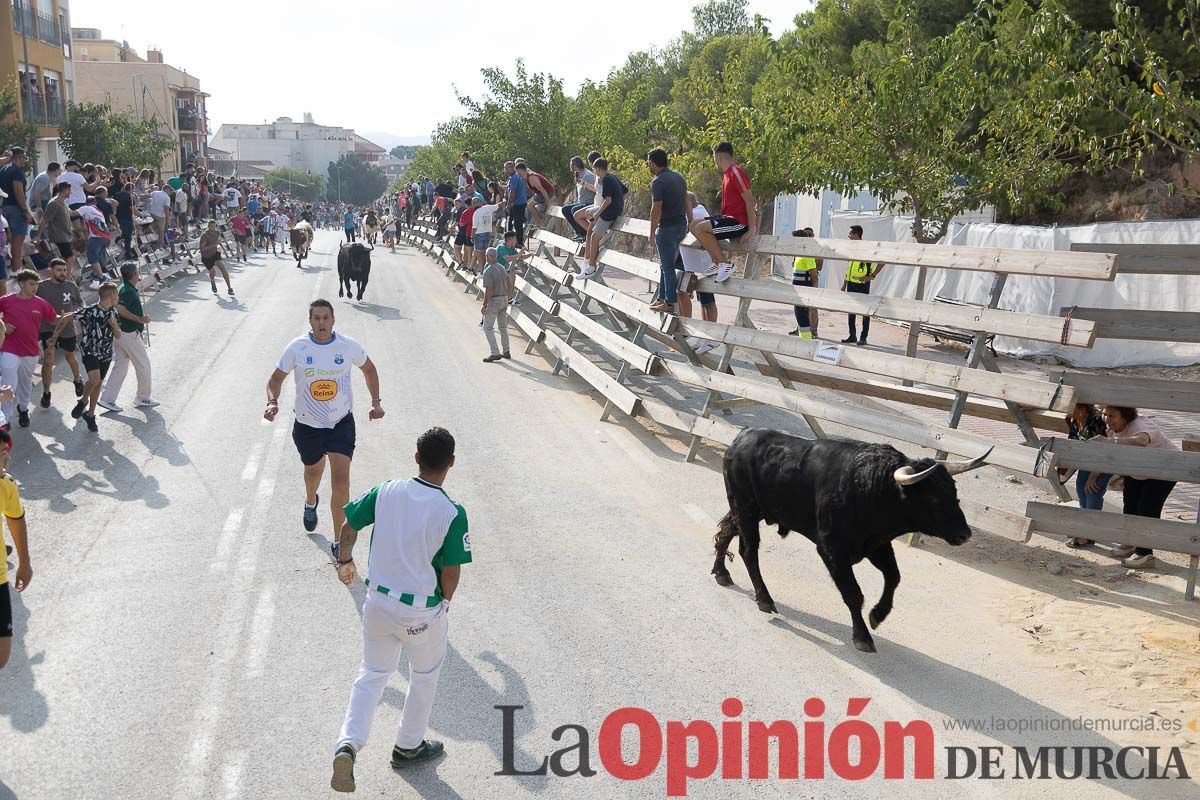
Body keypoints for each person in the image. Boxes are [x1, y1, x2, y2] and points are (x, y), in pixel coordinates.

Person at [330, 427, 469, 792]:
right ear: (450, 464)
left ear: (416, 457)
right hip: (421, 613)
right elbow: (451, 571)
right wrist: (446, 605)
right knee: (423, 676)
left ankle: (348, 743)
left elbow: (349, 525)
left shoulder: (386, 490)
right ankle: (407, 747)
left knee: (372, 673)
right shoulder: (452, 512)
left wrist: (345, 561)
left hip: (377, 603)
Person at [264, 300, 384, 549]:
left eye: (325, 318)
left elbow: (370, 369)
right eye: (316, 318)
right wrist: (272, 402)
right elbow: (275, 379)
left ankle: (339, 542)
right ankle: (310, 501)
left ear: (333, 320)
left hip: (340, 423)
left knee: (341, 482)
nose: (321, 323)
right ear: (310, 321)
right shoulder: (297, 348)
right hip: (307, 426)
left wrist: (375, 402)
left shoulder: (347, 345)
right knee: (313, 472)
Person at [1102, 406, 1180, 568]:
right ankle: (1130, 542)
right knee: (1129, 505)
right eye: (1105, 414)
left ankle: (1145, 553)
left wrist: (1111, 441)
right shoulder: (1111, 429)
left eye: (1111, 415)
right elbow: (1121, 453)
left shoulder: (1140, 424)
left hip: (1165, 469)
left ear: (1124, 416)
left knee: (1147, 508)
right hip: (1139, 470)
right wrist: (1120, 473)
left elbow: (1141, 441)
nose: (1107, 419)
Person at [689, 141, 758, 284]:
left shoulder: (735, 172)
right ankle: (716, 261)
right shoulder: (727, 174)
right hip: (728, 219)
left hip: (738, 222)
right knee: (693, 224)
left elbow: (750, 201)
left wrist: (752, 228)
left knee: (701, 228)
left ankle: (725, 264)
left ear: (718, 157)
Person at [0, 270, 58, 427]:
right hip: (9, 347)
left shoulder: (40, 303)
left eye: (36, 285)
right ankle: (5, 418)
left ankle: (23, 409)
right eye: (31, 284)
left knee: (25, 382)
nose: (35, 288)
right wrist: (3, 325)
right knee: (8, 382)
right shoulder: (6, 301)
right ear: (21, 284)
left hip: (30, 350)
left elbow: (54, 319)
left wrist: (67, 317)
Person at [97, 264, 156, 413]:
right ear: (134, 274)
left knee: (121, 366)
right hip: (128, 333)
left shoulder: (126, 288)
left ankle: (107, 399)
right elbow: (120, 308)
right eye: (137, 272)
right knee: (143, 364)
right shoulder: (127, 290)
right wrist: (139, 319)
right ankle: (143, 396)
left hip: (121, 333)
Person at [71, 283, 122, 432]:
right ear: (111, 295)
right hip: (89, 349)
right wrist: (55, 336)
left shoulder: (114, 312)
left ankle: (91, 414)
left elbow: (118, 335)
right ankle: (83, 401)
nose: (118, 298)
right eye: (117, 295)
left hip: (105, 352)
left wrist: (115, 327)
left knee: (98, 383)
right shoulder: (90, 311)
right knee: (94, 379)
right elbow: (71, 317)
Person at [0, 426, 31, 668]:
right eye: (0, 454)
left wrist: (25, 563)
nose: (6, 458)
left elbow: (16, 520)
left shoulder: (6, 485)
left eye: (5, 452)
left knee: (2, 655)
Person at [37, 259, 85, 408]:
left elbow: (80, 303)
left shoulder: (71, 285)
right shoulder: (41, 287)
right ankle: (46, 392)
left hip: (67, 327)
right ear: (51, 270)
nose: (62, 273)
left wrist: (76, 313)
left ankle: (77, 379)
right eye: (59, 270)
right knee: (48, 359)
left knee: (70, 356)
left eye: (64, 270)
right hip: (47, 328)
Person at [646, 149, 688, 314]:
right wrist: (689, 221)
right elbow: (686, 200)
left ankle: (669, 303)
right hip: (680, 226)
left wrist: (651, 233)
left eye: (648, 162)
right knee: (665, 265)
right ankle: (662, 298)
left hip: (667, 228)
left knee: (667, 267)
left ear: (653, 162)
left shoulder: (658, 181)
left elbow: (656, 207)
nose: (648, 165)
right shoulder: (679, 177)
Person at [678, 193, 718, 352]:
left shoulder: (697, 213)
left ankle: (711, 337)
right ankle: (704, 336)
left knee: (708, 301)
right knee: (703, 301)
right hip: (697, 265)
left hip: (704, 264)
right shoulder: (697, 211)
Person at [840, 224, 885, 346]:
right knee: (851, 310)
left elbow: (882, 260)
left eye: (850, 234)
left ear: (856, 234)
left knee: (865, 311)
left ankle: (863, 337)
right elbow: (849, 267)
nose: (848, 236)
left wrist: (872, 275)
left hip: (862, 284)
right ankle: (852, 335)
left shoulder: (867, 248)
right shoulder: (852, 249)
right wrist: (844, 284)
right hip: (851, 283)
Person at [581, 158, 625, 278]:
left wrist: (597, 214)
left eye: (594, 169)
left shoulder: (606, 179)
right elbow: (625, 190)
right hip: (615, 209)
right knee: (588, 213)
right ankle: (587, 262)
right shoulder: (612, 177)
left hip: (609, 212)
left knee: (595, 237)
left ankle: (591, 267)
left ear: (599, 169)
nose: (594, 172)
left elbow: (608, 200)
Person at [0, 147, 34, 269]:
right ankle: (16, 269)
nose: (25, 160)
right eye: (24, 157)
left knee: (5, 240)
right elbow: (18, 191)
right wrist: (25, 211)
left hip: (3, 207)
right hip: (16, 208)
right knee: (17, 240)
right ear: (19, 157)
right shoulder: (17, 171)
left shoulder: (3, 169)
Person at [480, 248, 512, 363]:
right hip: (504, 298)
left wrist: (484, 305)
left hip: (495, 300)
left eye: (486, 255)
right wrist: (508, 296)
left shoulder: (488, 271)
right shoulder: (502, 267)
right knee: (502, 327)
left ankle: (495, 353)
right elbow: (509, 282)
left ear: (489, 256)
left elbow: (489, 290)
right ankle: (506, 351)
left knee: (487, 327)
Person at [790, 228, 822, 339]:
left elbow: (814, 273)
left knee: (805, 313)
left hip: (805, 289)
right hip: (798, 289)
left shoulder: (808, 253)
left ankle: (808, 336)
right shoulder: (799, 253)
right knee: (799, 313)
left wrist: (813, 289)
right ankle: (803, 334)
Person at [77, 197, 113, 290]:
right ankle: (97, 277)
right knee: (99, 258)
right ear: (95, 202)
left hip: (97, 237)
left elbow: (72, 213)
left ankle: (102, 277)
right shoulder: (98, 211)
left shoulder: (87, 208)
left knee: (92, 258)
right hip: (106, 238)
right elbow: (86, 228)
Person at [561, 156, 598, 242]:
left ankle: (585, 233)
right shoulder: (578, 175)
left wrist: (585, 184)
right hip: (582, 202)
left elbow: (597, 190)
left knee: (574, 210)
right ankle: (580, 233)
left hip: (590, 203)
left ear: (574, 165)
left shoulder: (588, 175)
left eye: (571, 165)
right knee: (565, 209)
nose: (570, 167)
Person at [41, 181, 78, 265]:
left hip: (67, 235)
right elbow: (45, 220)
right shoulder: (54, 203)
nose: (71, 192)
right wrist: (38, 235)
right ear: (65, 190)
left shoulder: (64, 203)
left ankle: (66, 276)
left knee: (69, 258)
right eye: (70, 190)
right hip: (60, 236)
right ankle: (67, 278)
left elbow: (71, 213)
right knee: (70, 259)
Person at [197, 220, 234, 296]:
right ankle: (212, 281)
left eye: (214, 226)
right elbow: (202, 249)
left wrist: (222, 247)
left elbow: (219, 242)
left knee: (223, 268)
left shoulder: (217, 233)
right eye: (211, 226)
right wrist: (214, 244)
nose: (213, 228)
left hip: (215, 254)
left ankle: (230, 288)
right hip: (206, 257)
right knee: (213, 273)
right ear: (208, 226)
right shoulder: (205, 235)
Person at [504, 161, 528, 247]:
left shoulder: (514, 177)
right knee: (513, 222)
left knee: (517, 223)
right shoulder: (518, 177)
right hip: (521, 202)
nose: (505, 170)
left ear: (512, 167)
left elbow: (513, 192)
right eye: (505, 168)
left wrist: (508, 204)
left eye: (507, 168)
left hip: (517, 203)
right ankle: (511, 241)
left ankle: (518, 242)